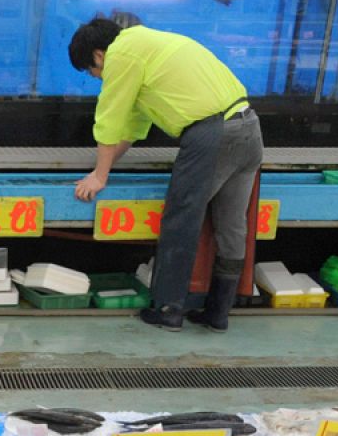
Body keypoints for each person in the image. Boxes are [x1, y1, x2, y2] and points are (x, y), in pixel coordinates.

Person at [70, 18, 263, 333]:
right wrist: (100, 168)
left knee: (181, 217)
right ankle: (218, 312)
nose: (96, 77)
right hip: (249, 128)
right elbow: (130, 129)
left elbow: (108, 118)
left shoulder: (122, 54)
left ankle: (169, 308)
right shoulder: (150, 48)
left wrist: (100, 178)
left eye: (91, 71)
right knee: (231, 225)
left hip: (213, 134)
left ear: (99, 55)